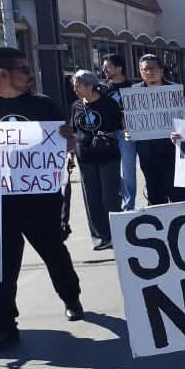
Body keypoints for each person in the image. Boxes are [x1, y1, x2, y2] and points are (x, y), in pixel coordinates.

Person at [0, 48, 84, 355]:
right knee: (3, 267)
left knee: (54, 253)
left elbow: (65, 143)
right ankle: (3, 326)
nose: (30, 74)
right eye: (23, 70)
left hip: (40, 199)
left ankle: (71, 297)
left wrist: (68, 139)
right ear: (1, 73)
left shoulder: (43, 105)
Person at [69, 70, 122, 250]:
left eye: (78, 85)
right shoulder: (76, 105)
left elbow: (120, 127)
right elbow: (74, 130)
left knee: (109, 197)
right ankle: (100, 237)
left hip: (108, 157)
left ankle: (116, 233)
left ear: (90, 86)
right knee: (91, 199)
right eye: (74, 85)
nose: (75, 89)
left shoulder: (109, 104)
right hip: (85, 158)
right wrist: (70, 153)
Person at [133, 54, 185, 206]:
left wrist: (184, 131)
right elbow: (127, 117)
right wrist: (128, 129)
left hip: (173, 151)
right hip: (147, 153)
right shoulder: (134, 93)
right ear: (140, 71)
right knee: (155, 195)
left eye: (153, 68)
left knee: (178, 194)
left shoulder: (176, 91)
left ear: (161, 71)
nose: (149, 72)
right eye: (145, 69)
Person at [99, 53, 138, 212]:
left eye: (108, 66)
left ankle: (128, 206)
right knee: (111, 171)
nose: (104, 69)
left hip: (127, 133)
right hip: (108, 134)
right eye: (104, 66)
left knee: (128, 171)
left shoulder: (133, 88)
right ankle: (116, 204)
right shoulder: (102, 89)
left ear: (119, 68)